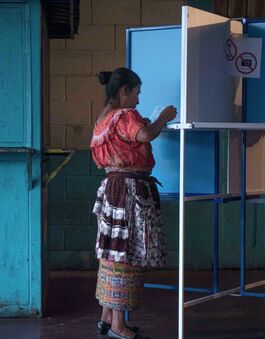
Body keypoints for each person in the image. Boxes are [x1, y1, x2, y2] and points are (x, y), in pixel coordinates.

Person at [90, 67, 176, 339]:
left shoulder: (102, 118)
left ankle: (106, 316)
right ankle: (118, 325)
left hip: (112, 189)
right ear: (124, 91)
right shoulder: (126, 115)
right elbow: (144, 135)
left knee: (112, 253)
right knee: (125, 255)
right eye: (137, 94)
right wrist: (163, 118)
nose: (138, 101)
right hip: (129, 192)